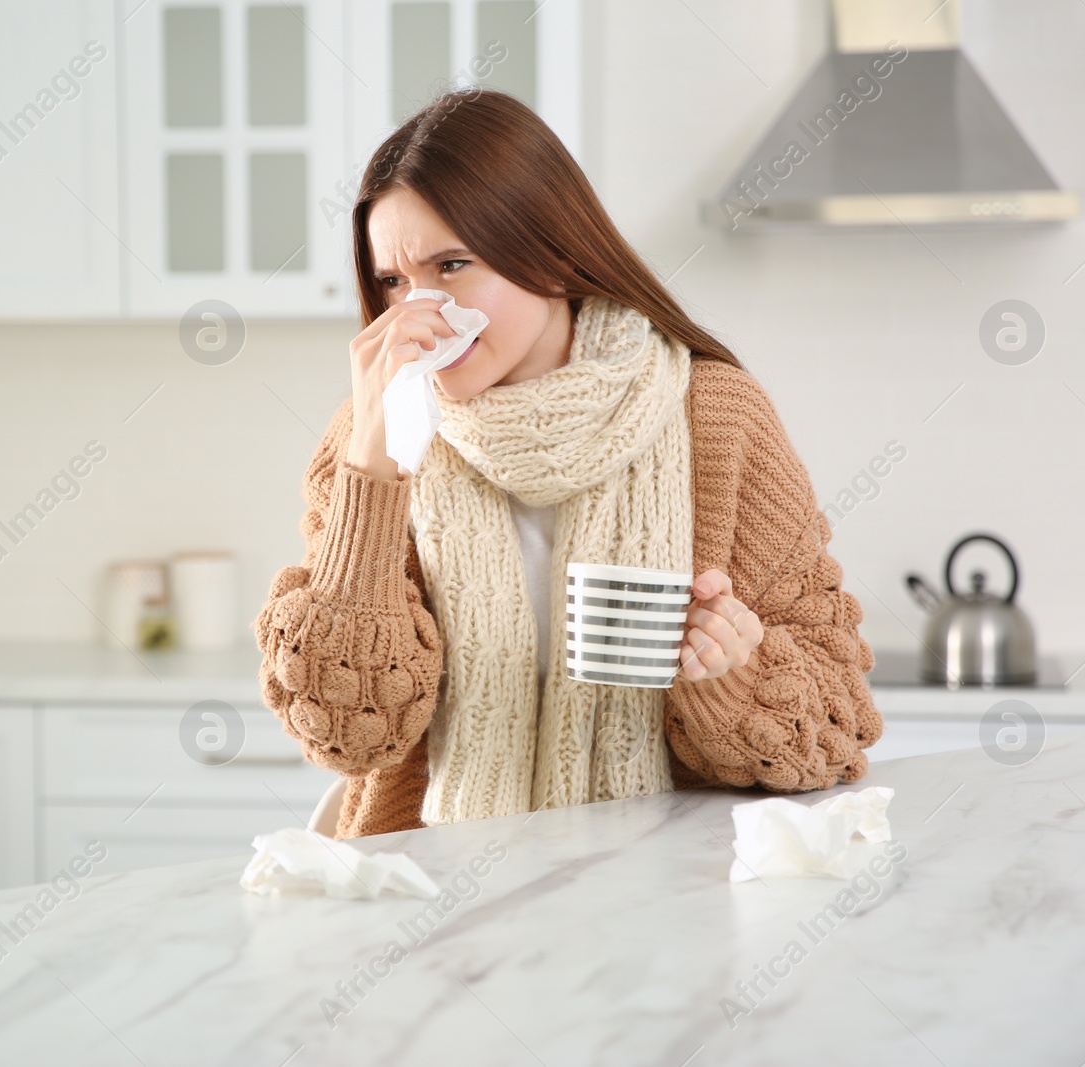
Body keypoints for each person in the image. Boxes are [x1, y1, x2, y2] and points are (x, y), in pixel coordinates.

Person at [252, 88, 883, 839]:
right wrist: (372, 472)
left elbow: (834, 735)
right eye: (393, 282)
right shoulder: (372, 437)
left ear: (550, 255)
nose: (420, 313)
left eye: (452, 265)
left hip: (664, 896)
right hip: (433, 902)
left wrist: (729, 671)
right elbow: (344, 734)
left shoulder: (716, 416)